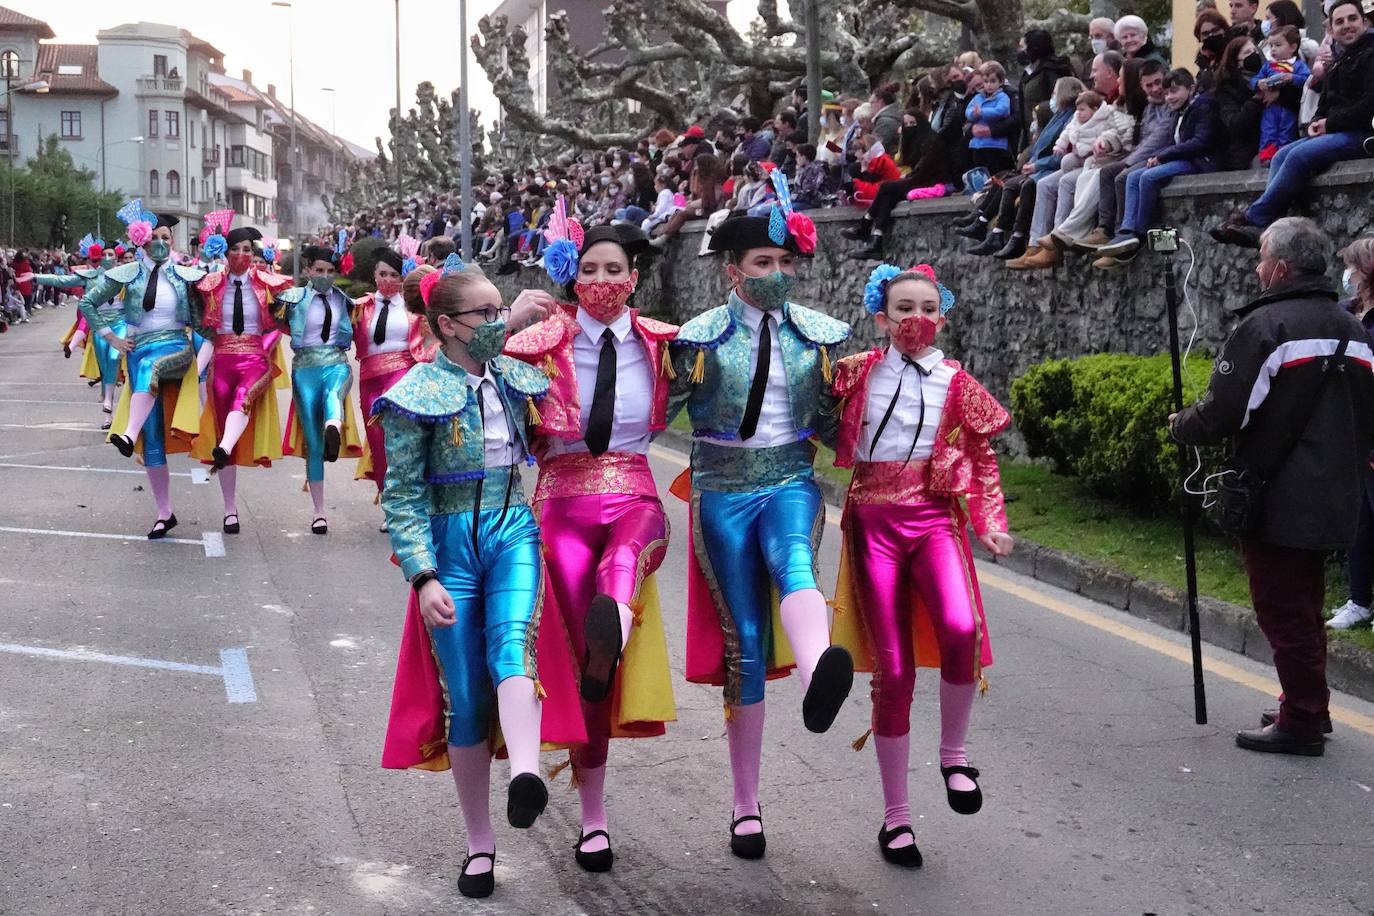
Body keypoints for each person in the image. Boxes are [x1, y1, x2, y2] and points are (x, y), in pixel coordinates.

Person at [376, 255, 577, 899]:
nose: (498, 322)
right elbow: (401, 496)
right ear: (448, 325)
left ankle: (525, 775)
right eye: (486, 314)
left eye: (500, 310)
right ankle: (479, 845)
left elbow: (555, 404)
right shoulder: (412, 394)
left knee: (513, 645)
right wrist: (422, 575)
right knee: (465, 697)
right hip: (448, 543)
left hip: (512, 523)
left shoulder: (517, 379)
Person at [667, 173, 855, 860]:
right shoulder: (697, 338)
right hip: (720, 488)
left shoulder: (821, 337)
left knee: (796, 562)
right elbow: (648, 416)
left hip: (791, 479)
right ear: (732, 270)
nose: (778, 274)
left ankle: (815, 679)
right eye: (763, 263)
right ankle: (745, 806)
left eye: (785, 262)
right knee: (743, 641)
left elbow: (841, 428)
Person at [822, 262, 1012, 868]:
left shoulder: (957, 381)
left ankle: (954, 755)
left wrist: (991, 522)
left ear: (943, 317)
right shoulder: (852, 373)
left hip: (932, 517)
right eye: (904, 309)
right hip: (873, 516)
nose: (917, 320)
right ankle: (896, 818)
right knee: (894, 668)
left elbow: (981, 459)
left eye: (928, 309)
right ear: (881, 317)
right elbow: (801, 408)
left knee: (961, 628)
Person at [503, 218, 678, 872]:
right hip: (559, 497)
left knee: (627, 559)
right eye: (591, 270)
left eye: (615, 270)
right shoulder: (540, 341)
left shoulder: (667, 344)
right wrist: (511, 313)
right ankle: (594, 819)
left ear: (635, 277)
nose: (602, 281)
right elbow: (458, 357)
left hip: (633, 490)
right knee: (585, 670)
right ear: (572, 275)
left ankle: (618, 625)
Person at [1171, 217, 1374, 756]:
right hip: (1337, 492)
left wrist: (1181, 425)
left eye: (1261, 257)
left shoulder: (1266, 327)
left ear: (1280, 268)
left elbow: (1224, 411)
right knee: (1305, 603)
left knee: (1283, 606)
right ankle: (1307, 701)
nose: (1257, 267)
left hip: (1278, 492)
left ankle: (1303, 719)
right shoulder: (1352, 327)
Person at [79, 203, 204, 538]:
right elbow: (87, 303)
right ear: (142, 241)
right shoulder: (129, 273)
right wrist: (112, 339)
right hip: (138, 351)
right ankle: (165, 513)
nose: (161, 243)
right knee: (154, 439)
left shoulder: (186, 275)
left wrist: (209, 357)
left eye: (167, 237)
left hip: (176, 348)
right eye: (155, 237)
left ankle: (126, 434)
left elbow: (205, 319)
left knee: (151, 368)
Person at [1213, 1, 1374, 248]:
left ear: (1364, 22)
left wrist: (1328, 123)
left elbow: (1368, 105)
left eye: (1352, 19)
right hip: (1335, 129)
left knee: (1299, 156)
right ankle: (1270, 227)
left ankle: (1255, 219)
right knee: (1280, 156)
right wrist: (1316, 122)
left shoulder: (1370, 53)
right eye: (1339, 22)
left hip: (1362, 134)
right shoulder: (1340, 59)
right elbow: (1327, 101)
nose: (1347, 26)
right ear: (1331, 28)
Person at [191, 226, 294, 534]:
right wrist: (197, 366)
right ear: (224, 251)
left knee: (243, 399)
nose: (241, 255)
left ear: (254, 254)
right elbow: (202, 327)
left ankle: (222, 445)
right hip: (222, 359)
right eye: (235, 249)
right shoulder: (207, 285)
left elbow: (286, 319)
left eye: (248, 250)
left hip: (254, 358)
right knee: (226, 430)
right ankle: (229, 508)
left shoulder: (270, 284)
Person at [275, 244, 365, 534]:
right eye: (320, 270)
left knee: (333, 395)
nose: (325, 276)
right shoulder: (291, 299)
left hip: (336, 363)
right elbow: (268, 320)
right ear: (308, 271)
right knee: (313, 444)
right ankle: (318, 512)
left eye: (330, 271)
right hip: (304, 368)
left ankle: (333, 428)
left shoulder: (346, 301)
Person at [1095, 69, 1220, 263]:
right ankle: (1126, 229)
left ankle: (1141, 232)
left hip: (1200, 161)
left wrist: (1163, 155)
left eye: (1174, 91)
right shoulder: (1179, 111)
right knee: (1133, 177)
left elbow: (1200, 142)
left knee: (1148, 177)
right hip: (1184, 158)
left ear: (1191, 88)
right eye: (1167, 92)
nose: (1169, 97)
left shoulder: (1203, 106)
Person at [959, 76, 1082, 261]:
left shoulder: (1069, 118)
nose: (1052, 97)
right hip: (1039, 165)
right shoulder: (1059, 116)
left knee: (1021, 185)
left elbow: (1060, 153)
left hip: (1051, 167)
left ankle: (1015, 237)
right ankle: (991, 227)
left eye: (1055, 93)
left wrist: (1035, 165)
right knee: (1007, 182)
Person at [352, 248, 439, 504]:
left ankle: (407, 498)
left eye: (394, 275)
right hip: (369, 379)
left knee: (400, 442)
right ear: (374, 274)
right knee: (377, 443)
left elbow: (433, 340)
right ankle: (388, 499)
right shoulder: (359, 307)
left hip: (402, 376)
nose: (388, 280)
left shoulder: (414, 311)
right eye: (382, 274)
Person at [1328, 236, 1374, 630]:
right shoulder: (1344, 313)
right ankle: (1359, 600)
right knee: (1358, 520)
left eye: (1353, 266)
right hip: (1350, 430)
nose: (1347, 274)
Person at [1078, 59, 1173, 251]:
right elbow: (1144, 139)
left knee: (1123, 177)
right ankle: (1105, 229)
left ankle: (1125, 230)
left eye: (1158, 83)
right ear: (1142, 86)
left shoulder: (1170, 105)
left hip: (1161, 155)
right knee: (1107, 172)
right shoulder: (1149, 107)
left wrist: (1130, 161)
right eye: (1149, 85)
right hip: (1144, 154)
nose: (1155, 89)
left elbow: (1160, 137)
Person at [41, 235, 123, 425]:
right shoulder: (91, 277)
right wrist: (36, 277)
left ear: (117, 258)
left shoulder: (126, 276)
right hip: (99, 325)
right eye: (105, 255)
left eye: (111, 255)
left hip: (121, 325)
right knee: (105, 369)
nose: (107, 258)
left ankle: (119, 405)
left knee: (114, 357)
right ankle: (107, 411)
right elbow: (62, 281)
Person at [1252, 25, 1312, 162]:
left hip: (1287, 108)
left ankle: (1284, 156)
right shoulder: (1268, 66)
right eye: (1271, 45)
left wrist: (1292, 78)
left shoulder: (1297, 65)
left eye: (1278, 45)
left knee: (1287, 130)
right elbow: (1255, 79)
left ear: (1292, 47)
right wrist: (1259, 83)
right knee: (1268, 130)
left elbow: (1307, 79)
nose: (1273, 49)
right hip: (1270, 107)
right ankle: (1267, 157)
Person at [965, 62, 1014, 175]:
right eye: (986, 82)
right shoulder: (978, 97)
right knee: (980, 171)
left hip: (995, 143)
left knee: (994, 171)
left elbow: (1001, 111)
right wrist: (974, 114)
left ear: (1000, 82)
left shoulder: (1002, 97)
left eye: (993, 81)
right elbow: (968, 111)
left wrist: (982, 112)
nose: (989, 85)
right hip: (977, 143)